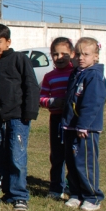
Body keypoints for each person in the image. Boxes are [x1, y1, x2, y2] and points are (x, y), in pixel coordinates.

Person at [0, 23, 39, 211]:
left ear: (8, 41)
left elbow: (31, 86)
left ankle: (19, 196)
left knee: (17, 156)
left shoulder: (19, 59)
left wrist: (29, 113)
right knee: (2, 156)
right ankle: (8, 193)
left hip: (18, 118)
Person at [62, 37, 106, 211]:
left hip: (85, 129)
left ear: (95, 56)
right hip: (71, 126)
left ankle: (92, 197)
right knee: (72, 162)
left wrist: (84, 125)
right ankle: (76, 193)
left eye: (86, 54)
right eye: (78, 54)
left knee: (85, 162)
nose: (81, 58)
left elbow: (92, 103)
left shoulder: (94, 75)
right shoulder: (76, 73)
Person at [39, 37, 75, 200]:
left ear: (72, 54)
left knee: (73, 155)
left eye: (64, 54)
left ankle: (73, 186)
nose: (59, 57)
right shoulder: (49, 76)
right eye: (55, 54)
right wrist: (53, 101)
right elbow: (41, 98)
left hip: (74, 121)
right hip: (56, 120)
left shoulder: (76, 74)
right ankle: (55, 188)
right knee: (56, 155)